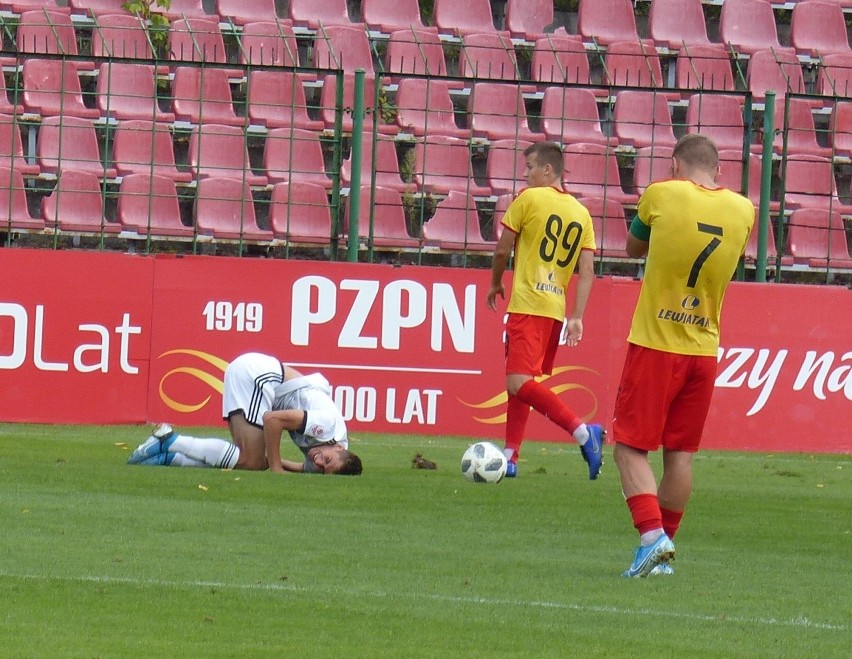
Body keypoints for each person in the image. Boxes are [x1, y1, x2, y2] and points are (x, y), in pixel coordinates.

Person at [613, 134, 754, 577]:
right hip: (704, 347)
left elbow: (632, 248)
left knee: (629, 448)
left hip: (657, 342)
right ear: (719, 171)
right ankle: (662, 556)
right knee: (680, 455)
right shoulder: (744, 209)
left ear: (675, 165)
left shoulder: (661, 193)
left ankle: (653, 536)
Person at [487, 141, 605, 480]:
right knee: (519, 382)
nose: (525, 175)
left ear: (548, 170)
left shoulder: (528, 200)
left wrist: (495, 283)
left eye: (529, 168)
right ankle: (510, 455)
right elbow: (587, 270)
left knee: (518, 381)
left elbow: (501, 250)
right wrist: (577, 316)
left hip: (527, 303)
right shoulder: (581, 213)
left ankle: (584, 433)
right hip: (555, 309)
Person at [127, 352, 363, 476]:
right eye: (326, 460)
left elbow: (302, 468)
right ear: (340, 448)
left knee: (250, 461)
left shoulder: (329, 454)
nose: (318, 462)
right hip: (257, 376)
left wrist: (273, 462)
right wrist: (275, 468)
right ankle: (168, 440)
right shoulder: (327, 426)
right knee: (251, 460)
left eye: (322, 469)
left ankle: (169, 458)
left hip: (255, 379)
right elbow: (273, 420)